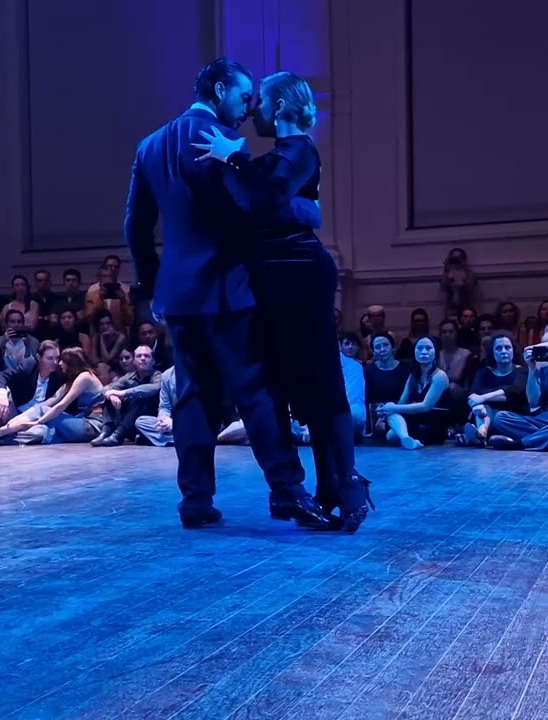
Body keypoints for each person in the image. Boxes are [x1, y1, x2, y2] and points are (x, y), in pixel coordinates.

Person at [122, 57, 328, 529]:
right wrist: (302, 212)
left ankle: (195, 501)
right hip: (227, 287)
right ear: (218, 90)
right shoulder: (220, 142)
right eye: (241, 96)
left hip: (178, 295)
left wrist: (152, 283)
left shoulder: (150, 145)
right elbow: (250, 209)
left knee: (193, 397)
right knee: (257, 390)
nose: (246, 107)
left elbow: (136, 225)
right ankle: (288, 491)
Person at [193, 70, 371, 533]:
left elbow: (268, 194)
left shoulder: (299, 150)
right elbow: (272, 205)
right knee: (292, 386)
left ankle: (346, 484)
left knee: (322, 383)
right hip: (273, 281)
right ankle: (327, 486)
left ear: (280, 107)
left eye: (261, 103)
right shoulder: (280, 157)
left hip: (299, 277)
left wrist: (235, 158)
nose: (252, 110)